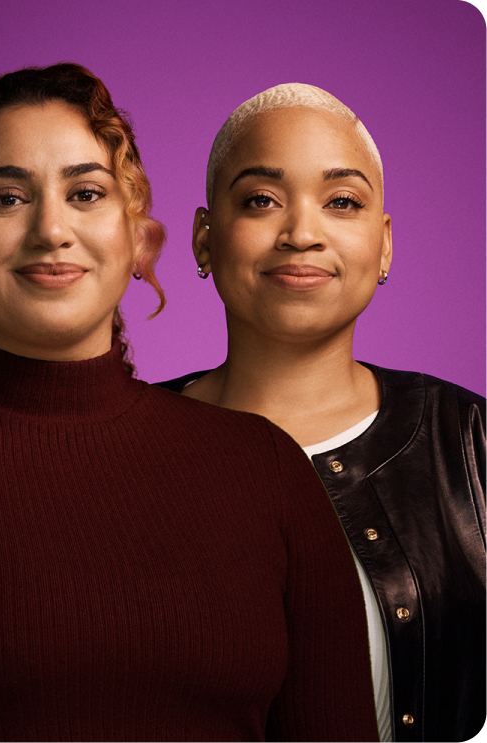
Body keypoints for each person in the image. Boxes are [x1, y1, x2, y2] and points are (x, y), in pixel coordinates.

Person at [0, 65, 380, 742]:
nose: (51, 229)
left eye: (86, 193)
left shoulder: (266, 469)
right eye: (7, 197)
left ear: (136, 237)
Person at [159, 84, 486, 742]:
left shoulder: (472, 441)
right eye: (260, 199)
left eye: (342, 201)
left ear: (384, 244)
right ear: (204, 238)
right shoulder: (118, 444)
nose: (302, 233)